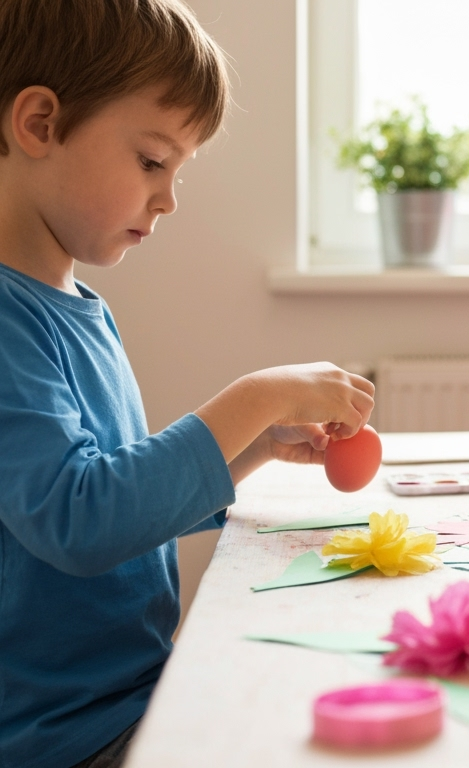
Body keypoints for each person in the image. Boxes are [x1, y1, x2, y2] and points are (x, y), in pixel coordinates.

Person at [0, 2, 375, 765]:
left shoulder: (76, 308)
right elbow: (81, 521)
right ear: (39, 123)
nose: (168, 198)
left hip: (131, 693)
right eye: (151, 161)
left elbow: (118, 500)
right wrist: (254, 397)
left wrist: (255, 446)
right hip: (68, 736)